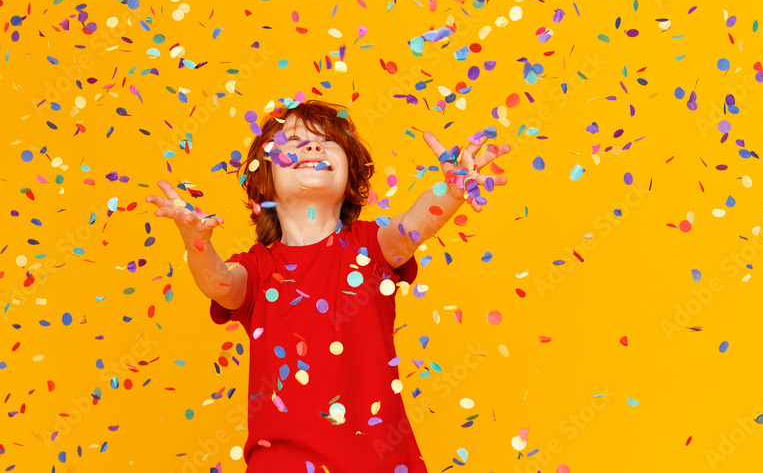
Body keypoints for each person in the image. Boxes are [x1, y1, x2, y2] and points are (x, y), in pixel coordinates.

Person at [146, 99, 510, 472]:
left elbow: (411, 228)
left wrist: (452, 192)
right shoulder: (256, 270)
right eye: (295, 140)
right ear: (263, 177)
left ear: (350, 177)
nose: (313, 146)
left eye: (327, 141)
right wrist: (196, 241)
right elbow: (219, 283)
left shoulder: (370, 247)